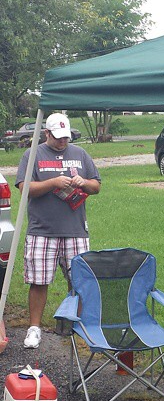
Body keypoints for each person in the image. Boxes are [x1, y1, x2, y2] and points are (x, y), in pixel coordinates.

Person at [16, 113, 101, 350]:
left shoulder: (80, 154)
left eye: (66, 137)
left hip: (76, 230)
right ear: (47, 133)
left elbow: (96, 186)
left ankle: (77, 326)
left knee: (79, 281)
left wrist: (84, 183)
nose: (63, 141)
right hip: (42, 230)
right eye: (58, 137)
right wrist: (53, 183)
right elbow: (24, 189)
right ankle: (34, 328)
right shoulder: (32, 154)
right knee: (38, 281)